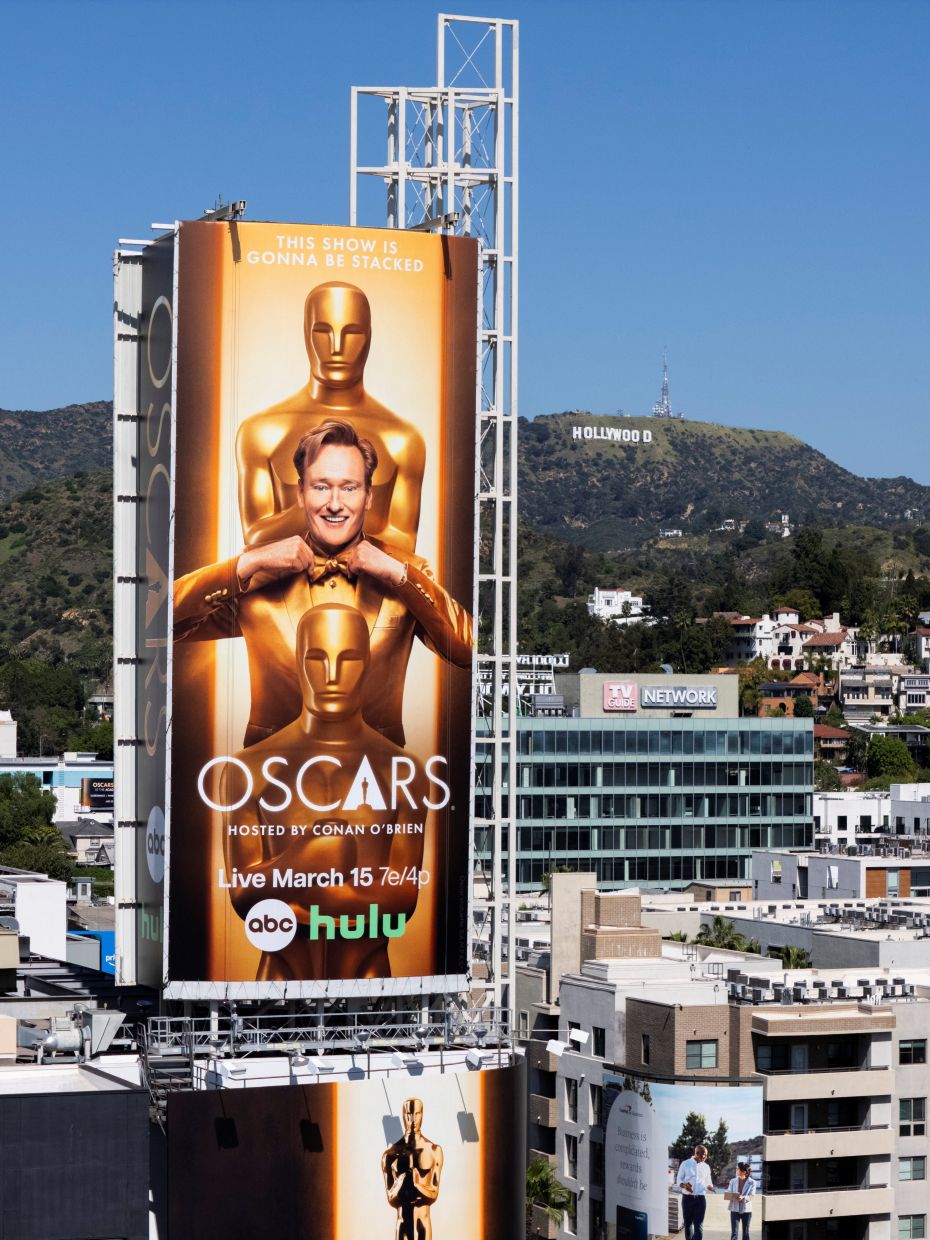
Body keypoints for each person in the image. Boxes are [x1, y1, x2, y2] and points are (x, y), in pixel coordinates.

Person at [174, 417, 472, 748]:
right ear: (301, 493)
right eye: (320, 487)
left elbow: (468, 651)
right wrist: (245, 565)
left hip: (376, 777)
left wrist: (398, 576)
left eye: (349, 487)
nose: (334, 503)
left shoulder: (406, 571)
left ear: (368, 496)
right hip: (272, 776)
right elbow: (157, 626)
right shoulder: (256, 571)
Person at [220, 604, 433, 982]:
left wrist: (314, 893)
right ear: (297, 663)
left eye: (348, 659)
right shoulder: (247, 769)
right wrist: (305, 859)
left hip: (369, 980)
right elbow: (241, 894)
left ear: (368, 664)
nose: (332, 676)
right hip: (278, 977)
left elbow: (403, 898)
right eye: (316, 658)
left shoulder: (405, 771)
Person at [235, 281, 425, 554]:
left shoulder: (403, 439)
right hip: (282, 593)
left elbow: (405, 544)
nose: (337, 347)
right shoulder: (261, 431)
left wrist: (320, 504)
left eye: (353, 333)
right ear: (305, 334)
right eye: (323, 332)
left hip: (369, 594)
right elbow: (254, 538)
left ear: (369, 337)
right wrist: (344, 507)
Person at [382, 1098, 443, 1240]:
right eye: (409, 1114)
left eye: (417, 1114)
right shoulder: (391, 1155)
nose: (413, 1119)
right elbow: (391, 1198)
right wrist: (403, 1180)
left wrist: (416, 1185)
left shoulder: (433, 1150)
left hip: (423, 1223)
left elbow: (434, 1194)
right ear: (403, 1116)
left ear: (422, 1114)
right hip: (403, 1223)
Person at [676, 1144, 715, 1240]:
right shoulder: (685, 1164)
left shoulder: (706, 1167)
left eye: (706, 1155)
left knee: (699, 1225)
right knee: (688, 1224)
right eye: (703, 1154)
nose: (705, 1157)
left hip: (700, 1199)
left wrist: (710, 1187)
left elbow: (708, 1182)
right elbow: (678, 1180)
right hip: (687, 1199)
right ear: (697, 1153)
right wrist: (684, 1186)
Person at [726, 1161, 755, 1240]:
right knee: (734, 1233)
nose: (736, 1170)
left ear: (744, 1172)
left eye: (738, 1169)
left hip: (747, 1210)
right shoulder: (733, 1181)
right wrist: (734, 1196)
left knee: (746, 1233)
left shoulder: (752, 1182)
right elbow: (728, 1193)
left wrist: (743, 1197)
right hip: (734, 1209)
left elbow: (752, 1196)